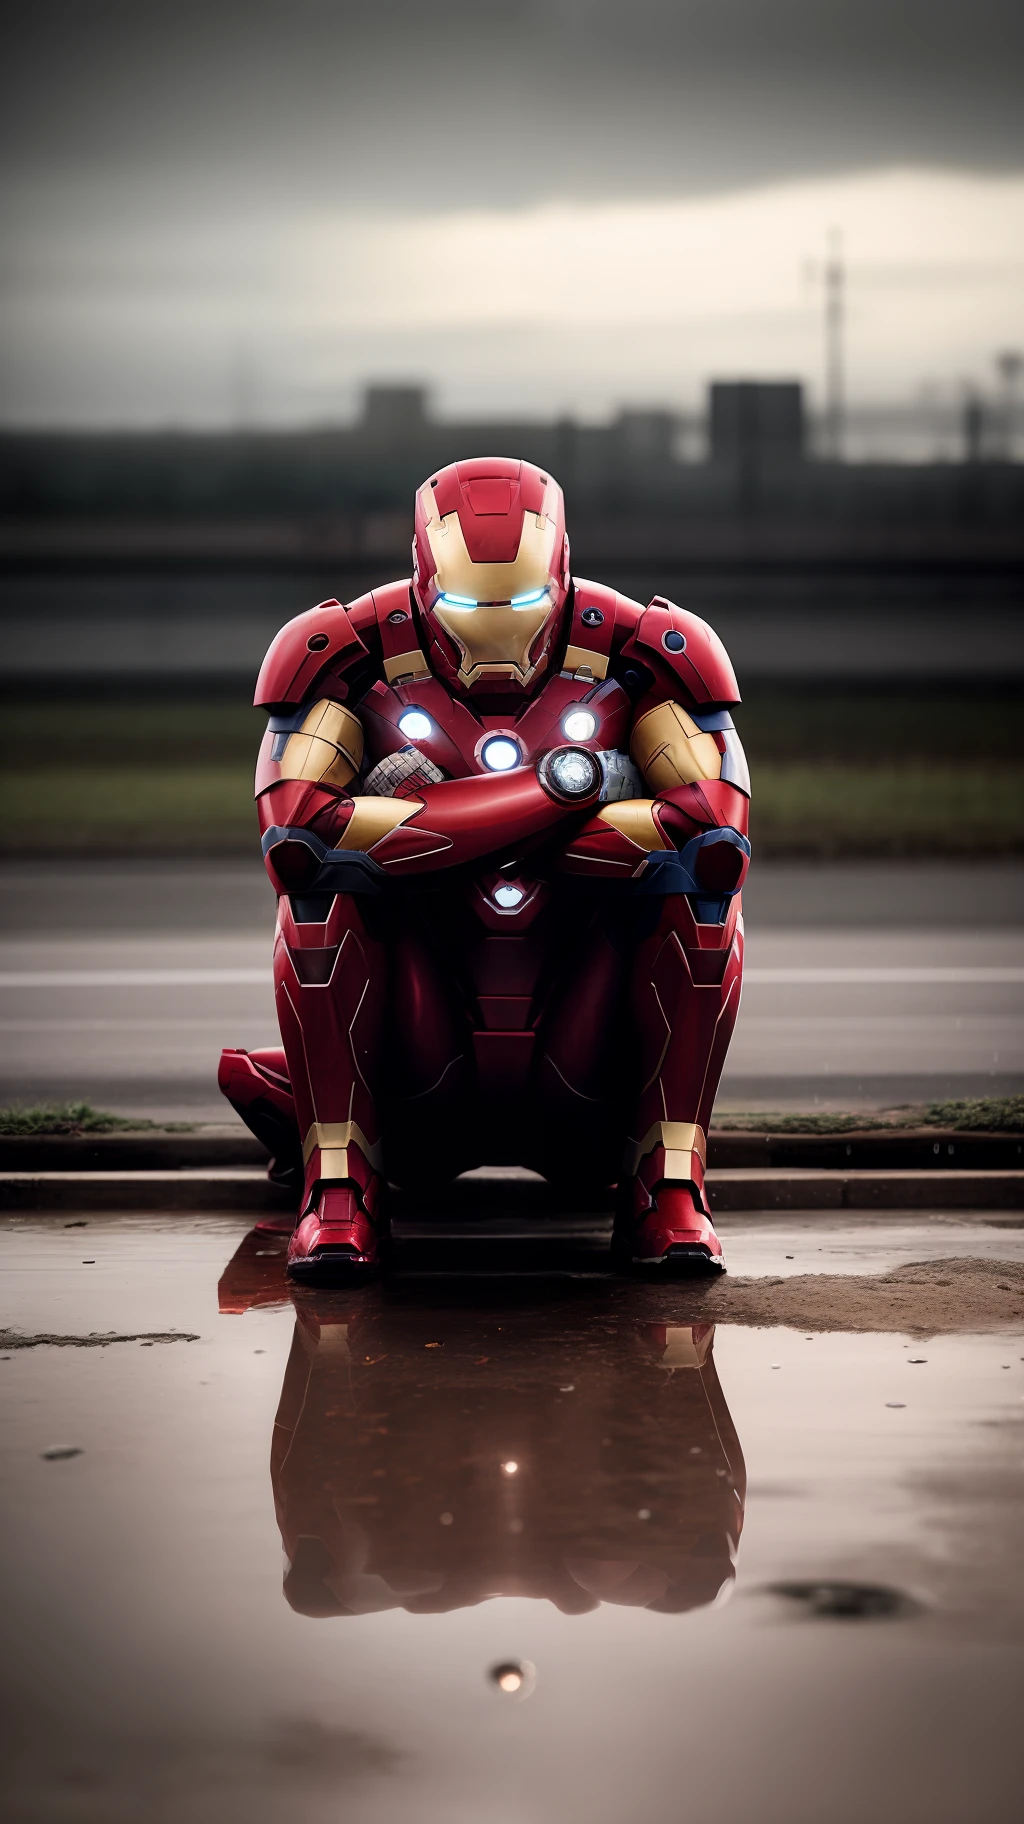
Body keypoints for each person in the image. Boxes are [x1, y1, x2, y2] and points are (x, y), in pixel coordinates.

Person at [219, 457, 749, 1278]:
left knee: (704, 910)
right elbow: (298, 838)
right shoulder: (344, 649)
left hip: (585, 1052)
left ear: (561, 570)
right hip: (422, 1050)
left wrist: (444, 823)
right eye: (466, 604)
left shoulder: (645, 648)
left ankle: (669, 1185)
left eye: (526, 602)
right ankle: (338, 1191)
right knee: (316, 908)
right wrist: (560, 791)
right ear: (426, 576)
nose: (495, 631)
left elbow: (716, 836)